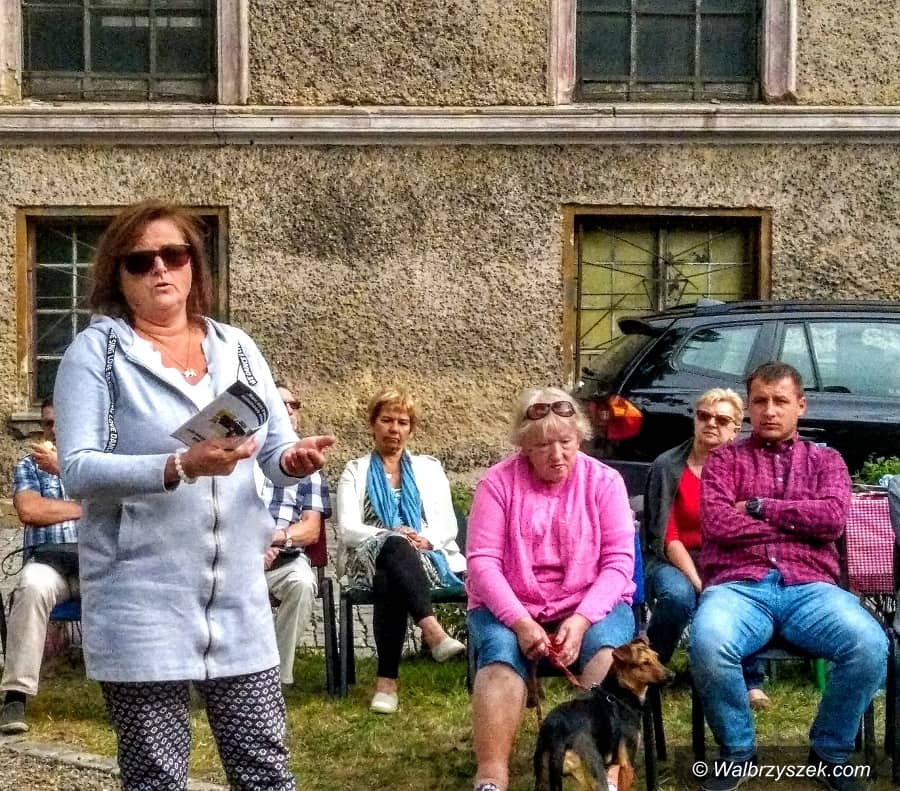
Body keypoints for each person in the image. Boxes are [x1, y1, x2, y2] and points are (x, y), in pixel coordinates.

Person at [53, 200, 334, 791]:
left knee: (265, 767)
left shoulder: (237, 346)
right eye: (140, 260)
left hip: (236, 594)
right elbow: (76, 470)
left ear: (193, 265)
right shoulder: (96, 354)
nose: (160, 268)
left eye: (174, 254)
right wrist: (179, 465)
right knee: (156, 775)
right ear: (117, 275)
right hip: (142, 596)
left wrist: (293, 460)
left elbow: (273, 449)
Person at [689, 362, 887, 791]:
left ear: (801, 405)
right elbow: (718, 524)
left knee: (870, 645)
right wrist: (798, 523)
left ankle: (830, 752)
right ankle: (738, 751)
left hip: (811, 589)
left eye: (780, 401)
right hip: (739, 587)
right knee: (708, 643)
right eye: (760, 401)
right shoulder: (724, 460)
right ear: (748, 408)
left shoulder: (826, 461)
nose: (770, 410)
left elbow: (832, 520)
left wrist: (759, 507)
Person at [467, 387, 636, 791]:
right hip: (511, 605)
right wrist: (521, 622)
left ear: (580, 438)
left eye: (566, 442)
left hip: (590, 602)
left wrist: (582, 620)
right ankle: (491, 776)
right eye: (543, 445)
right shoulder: (496, 484)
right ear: (524, 445)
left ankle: (603, 774)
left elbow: (618, 563)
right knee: (500, 656)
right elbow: (482, 563)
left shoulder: (605, 482)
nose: (557, 454)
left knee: (608, 656)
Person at [336, 386, 466, 715]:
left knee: (390, 573)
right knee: (392, 547)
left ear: (411, 429)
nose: (394, 429)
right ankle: (433, 632)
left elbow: (447, 525)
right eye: (387, 420)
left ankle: (387, 685)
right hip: (365, 559)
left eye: (402, 422)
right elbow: (348, 528)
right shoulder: (355, 470)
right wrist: (391, 535)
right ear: (373, 424)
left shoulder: (428, 469)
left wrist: (425, 540)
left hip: (424, 561)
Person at [643, 388, 769, 709]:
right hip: (672, 558)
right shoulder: (667, 466)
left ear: (735, 430)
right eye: (704, 416)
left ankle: (750, 679)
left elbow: (748, 528)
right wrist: (699, 582)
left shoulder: (744, 469)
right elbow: (666, 536)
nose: (711, 424)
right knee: (678, 595)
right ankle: (651, 668)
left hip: (726, 555)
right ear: (695, 420)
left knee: (744, 591)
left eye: (722, 420)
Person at [0, 398, 82, 735]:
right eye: (48, 423)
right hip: (51, 562)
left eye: (62, 421)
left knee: (136, 584)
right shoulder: (30, 465)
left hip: (98, 561)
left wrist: (66, 473)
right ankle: (15, 696)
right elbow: (30, 511)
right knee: (31, 587)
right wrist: (86, 508)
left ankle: (143, 686)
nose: (55, 429)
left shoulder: (96, 463)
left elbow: (121, 507)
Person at [260, 382, 332, 686]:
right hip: (238, 558)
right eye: (281, 405)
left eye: (294, 405)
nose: (289, 410)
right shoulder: (243, 461)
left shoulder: (308, 468)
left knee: (302, 584)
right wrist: (253, 545)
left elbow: (311, 528)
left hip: (284, 558)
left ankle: (275, 678)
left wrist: (275, 538)